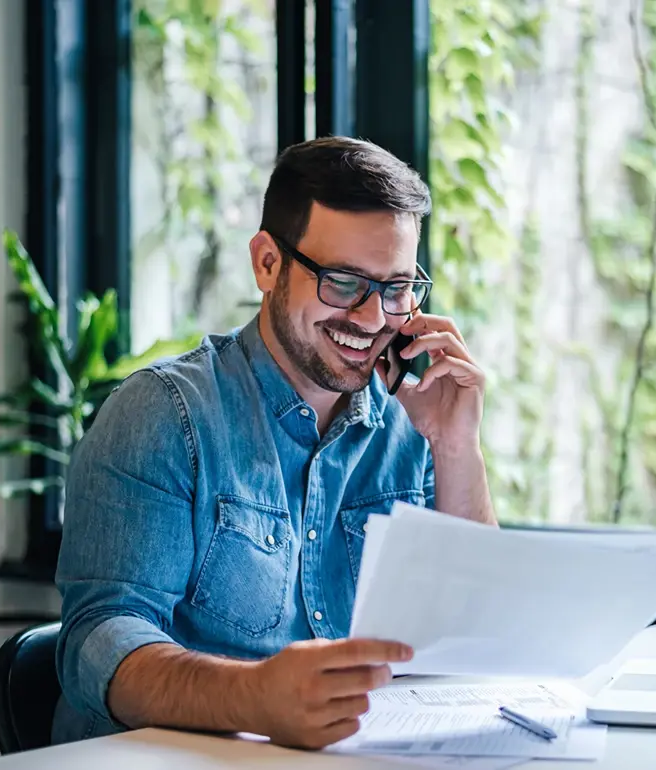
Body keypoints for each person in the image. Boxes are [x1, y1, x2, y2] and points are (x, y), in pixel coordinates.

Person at [52, 137, 496, 749]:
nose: (372, 320)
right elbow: (99, 641)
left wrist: (456, 447)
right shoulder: (163, 415)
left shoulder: (410, 423)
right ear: (267, 264)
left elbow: (478, 636)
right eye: (344, 283)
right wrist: (255, 697)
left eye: (396, 289)